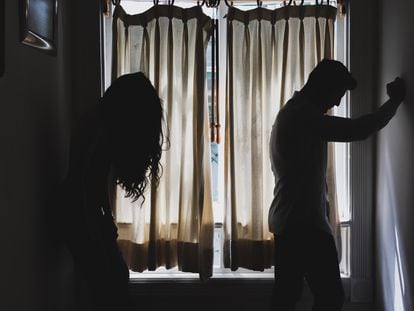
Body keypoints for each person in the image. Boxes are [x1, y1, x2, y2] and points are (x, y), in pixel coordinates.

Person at [268, 59, 405, 311]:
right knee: (329, 297)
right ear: (323, 87)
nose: (338, 103)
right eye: (337, 94)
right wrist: (394, 102)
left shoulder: (291, 111)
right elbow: (357, 129)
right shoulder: (303, 116)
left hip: (289, 221)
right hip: (303, 223)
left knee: (287, 298)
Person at [59, 72, 165, 311]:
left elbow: (93, 186)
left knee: (111, 285)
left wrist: (106, 220)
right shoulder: (98, 132)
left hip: (84, 219)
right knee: (112, 287)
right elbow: (84, 188)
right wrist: (100, 232)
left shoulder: (98, 125)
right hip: (82, 220)